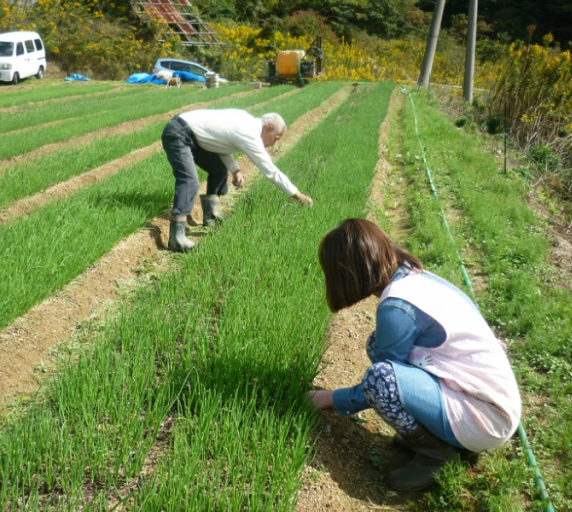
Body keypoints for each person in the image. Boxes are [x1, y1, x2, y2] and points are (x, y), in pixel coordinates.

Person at [310, 218, 522, 492]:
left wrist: (331, 398)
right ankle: (433, 434)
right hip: (491, 401)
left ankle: (437, 456)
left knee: (381, 379)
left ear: (350, 271)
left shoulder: (396, 307)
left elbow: (384, 383)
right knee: (378, 346)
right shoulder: (413, 276)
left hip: (485, 419)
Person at [161, 109, 314, 252]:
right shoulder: (249, 133)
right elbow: (271, 171)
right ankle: (177, 237)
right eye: (275, 138)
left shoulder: (245, 119)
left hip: (191, 135)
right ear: (268, 128)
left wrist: (236, 170)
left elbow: (220, 143)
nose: (274, 144)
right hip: (178, 134)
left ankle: (210, 215)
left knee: (219, 169)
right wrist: (298, 195)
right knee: (190, 180)